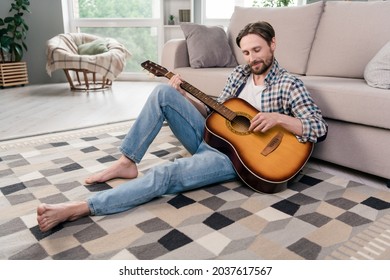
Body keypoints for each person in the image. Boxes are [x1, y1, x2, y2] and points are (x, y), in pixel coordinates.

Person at [37, 21, 328, 232]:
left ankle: (82, 207)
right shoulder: (239, 75)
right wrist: (186, 95)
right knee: (164, 93)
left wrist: (278, 118)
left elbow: (318, 126)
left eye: (257, 50)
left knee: (167, 172)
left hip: (237, 159)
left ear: (273, 44)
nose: (252, 58)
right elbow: (217, 117)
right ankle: (127, 162)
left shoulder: (289, 84)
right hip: (215, 137)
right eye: (247, 53)